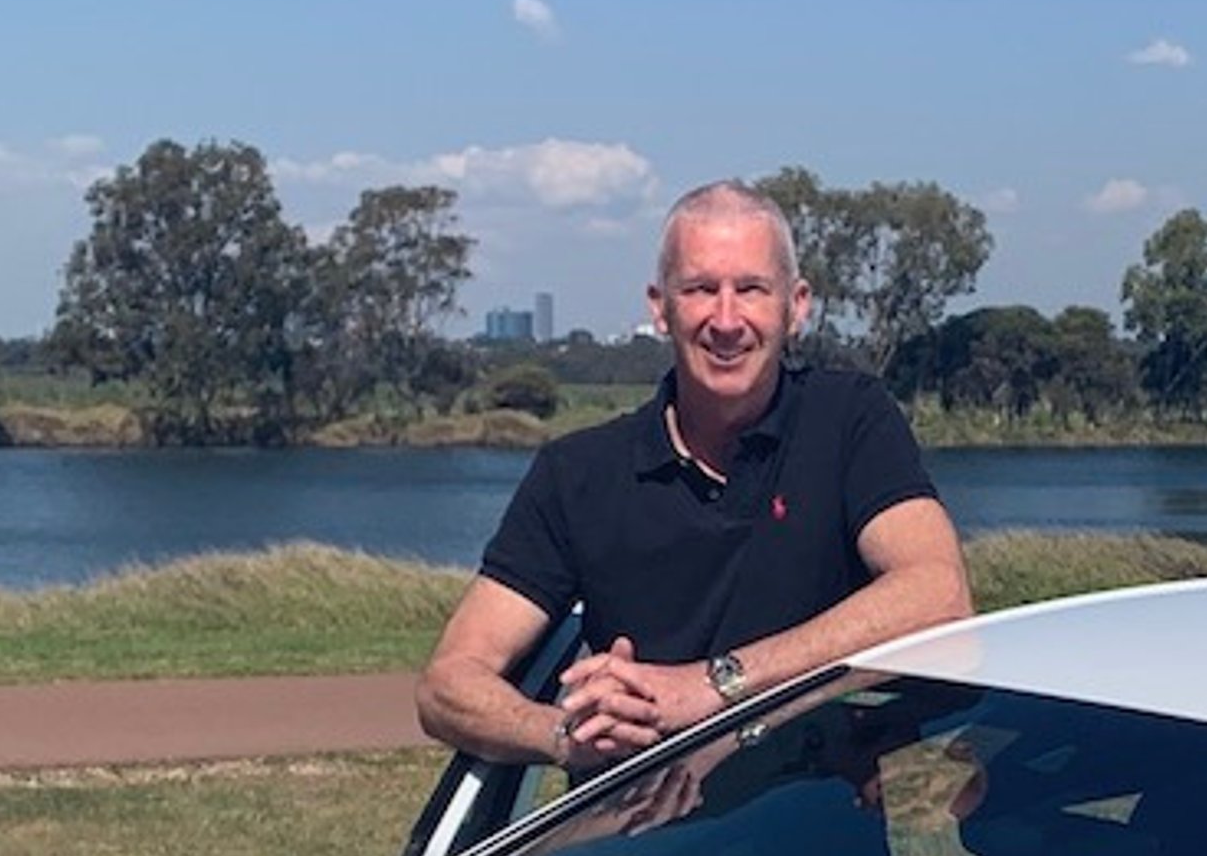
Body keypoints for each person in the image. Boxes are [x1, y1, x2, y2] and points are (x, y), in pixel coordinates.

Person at [416, 179, 973, 771]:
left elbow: (939, 595)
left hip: (818, 843)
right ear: (660, 308)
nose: (726, 319)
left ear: (797, 305)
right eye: (701, 289)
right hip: (636, 848)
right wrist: (566, 735)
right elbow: (446, 685)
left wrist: (710, 688)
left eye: (751, 289)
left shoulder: (849, 421)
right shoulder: (576, 476)